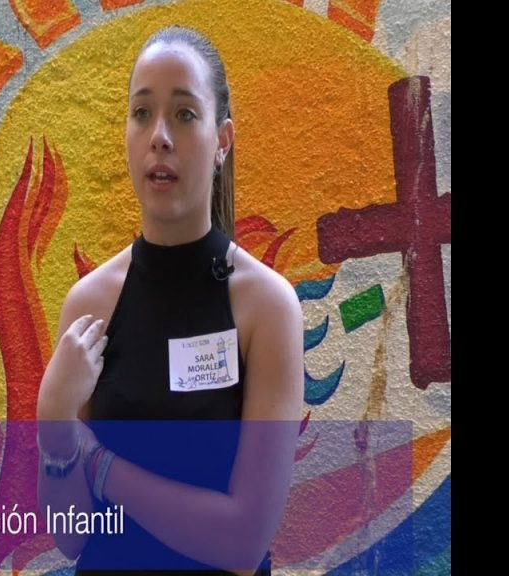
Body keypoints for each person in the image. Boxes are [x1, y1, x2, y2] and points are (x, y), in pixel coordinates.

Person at [36, 26, 304, 575]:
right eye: (142, 113)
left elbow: (241, 543)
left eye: (184, 114)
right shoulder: (89, 305)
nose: (159, 136)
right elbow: (70, 539)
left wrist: (101, 466)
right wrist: (54, 426)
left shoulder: (266, 308)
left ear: (222, 140)